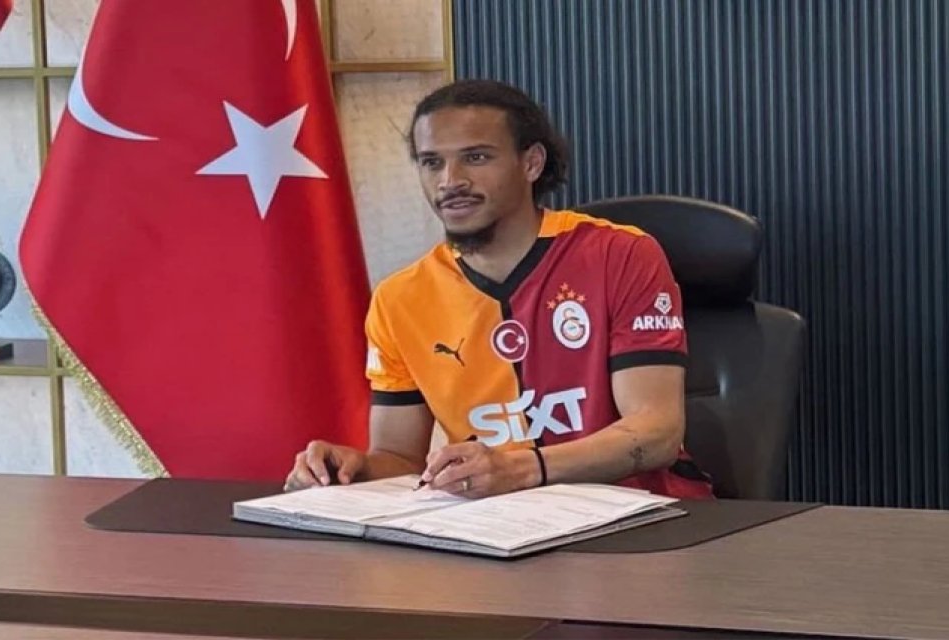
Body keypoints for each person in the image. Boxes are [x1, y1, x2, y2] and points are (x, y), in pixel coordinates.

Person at [285, 79, 712, 499]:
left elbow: (657, 432)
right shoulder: (398, 299)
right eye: (431, 162)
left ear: (531, 163)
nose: (450, 180)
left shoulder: (620, 254)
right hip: (498, 526)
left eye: (475, 157)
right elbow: (399, 458)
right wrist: (351, 471)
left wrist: (522, 468)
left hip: (642, 516)